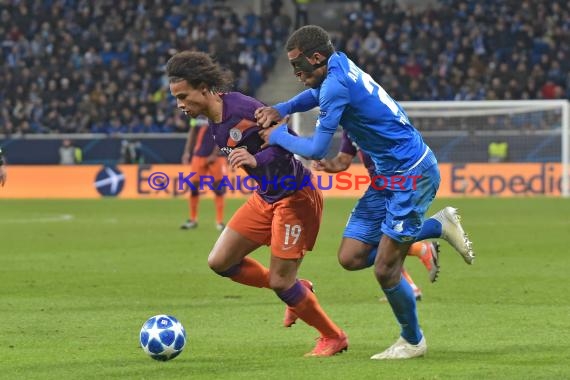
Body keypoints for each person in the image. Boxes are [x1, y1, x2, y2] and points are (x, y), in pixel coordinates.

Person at [255, 25, 474, 359]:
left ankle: (413, 341)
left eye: (299, 68)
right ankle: (437, 226)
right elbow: (318, 95)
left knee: (385, 268)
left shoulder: (336, 83)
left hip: (411, 173)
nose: (297, 74)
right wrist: (283, 108)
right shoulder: (339, 64)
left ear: (317, 57)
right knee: (351, 256)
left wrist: (278, 136)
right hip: (387, 176)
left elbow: (315, 148)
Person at [166, 50, 348, 357]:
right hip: (266, 197)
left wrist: (256, 157)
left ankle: (333, 336)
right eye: (176, 98)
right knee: (220, 262)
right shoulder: (214, 118)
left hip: (294, 197)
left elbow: (286, 140)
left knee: (280, 282)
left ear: (203, 88)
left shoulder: (243, 109)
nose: (181, 105)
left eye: (183, 97)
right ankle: (298, 288)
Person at [313, 131, 441, 300]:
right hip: (379, 186)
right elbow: (343, 161)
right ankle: (412, 276)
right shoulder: (350, 129)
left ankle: (428, 239)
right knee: (380, 239)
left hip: (395, 183)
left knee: (363, 246)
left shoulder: (376, 118)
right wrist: (327, 165)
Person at [180, 116, 227, 231]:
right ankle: (192, 219)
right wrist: (187, 152)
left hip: (216, 158)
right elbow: (192, 133)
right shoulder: (196, 116)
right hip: (199, 155)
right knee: (194, 188)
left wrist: (215, 153)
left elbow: (222, 135)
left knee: (218, 188)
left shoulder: (216, 114)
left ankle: (220, 222)